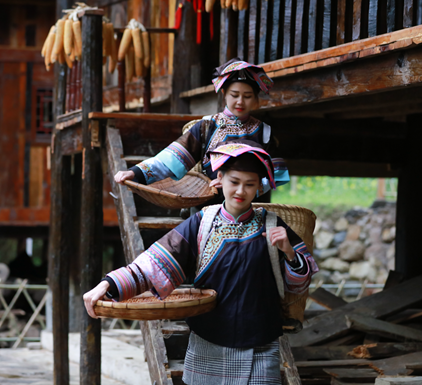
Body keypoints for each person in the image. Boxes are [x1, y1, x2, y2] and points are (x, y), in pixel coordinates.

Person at [83, 142, 318, 384]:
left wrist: (289, 252)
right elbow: (155, 264)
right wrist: (107, 284)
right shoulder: (202, 223)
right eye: (234, 181)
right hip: (208, 339)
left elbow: (298, 286)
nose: (241, 191)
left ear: (259, 187)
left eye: (249, 185)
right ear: (219, 179)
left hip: (260, 342)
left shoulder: (273, 225)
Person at [113, 58, 289, 197]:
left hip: (251, 208)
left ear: (256, 98)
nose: (240, 101)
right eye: (234, 95)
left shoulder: (264, 132)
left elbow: (277, 174)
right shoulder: (206, 126)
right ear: (223, 93)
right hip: (208, 206)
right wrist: (135, 172)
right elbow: (172, 158)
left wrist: (246, 188)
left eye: (248, 96)